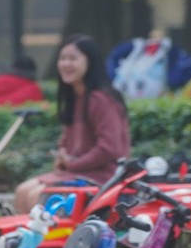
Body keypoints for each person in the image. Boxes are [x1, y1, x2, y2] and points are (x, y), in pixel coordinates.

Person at [13, 35, 130, 214]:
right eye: (63, 58)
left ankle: (51, 242)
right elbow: (67, 141)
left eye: (73, 58)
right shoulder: (76, 98)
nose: (66, 64)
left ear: (89, 62)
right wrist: (62, 155)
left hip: (101, 177)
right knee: (22, 192)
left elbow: (109, 148)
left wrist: (73, 164)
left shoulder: (101, 99)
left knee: (36, 197)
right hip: (77, 172)